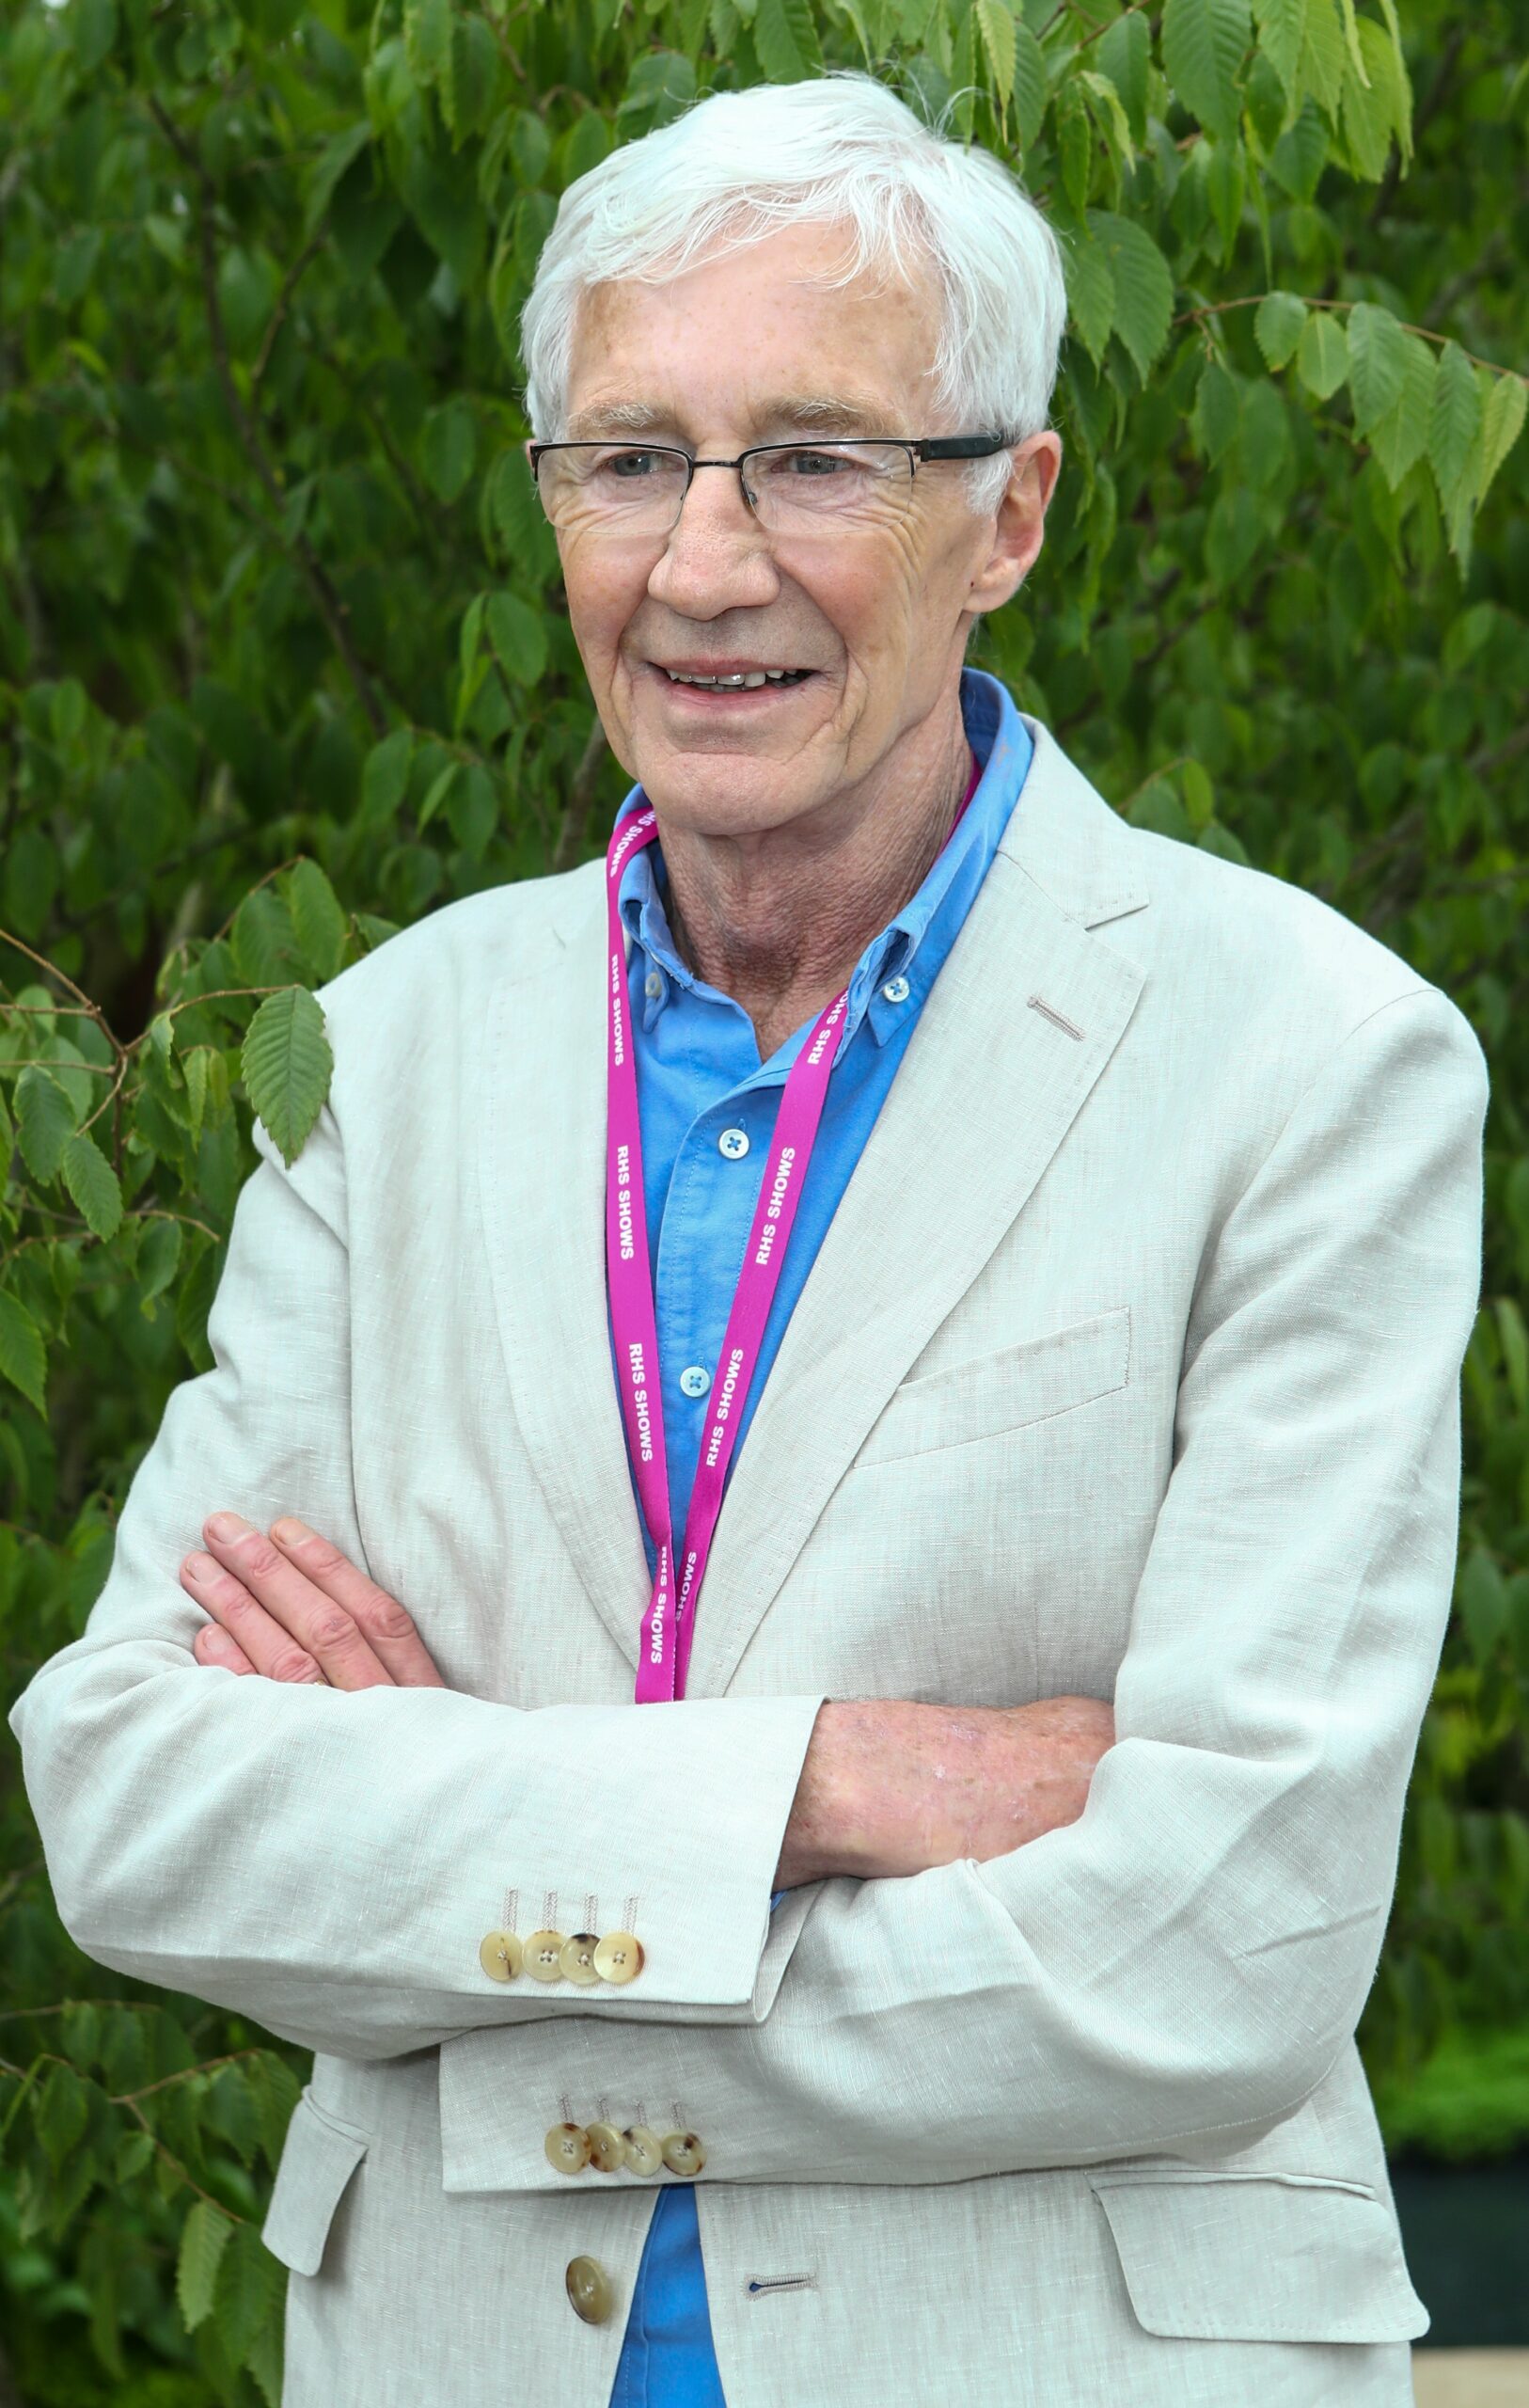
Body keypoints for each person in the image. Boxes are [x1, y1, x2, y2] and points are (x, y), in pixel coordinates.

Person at [12, 69, 1487, 2408]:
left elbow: (1227, 1939)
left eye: (814, 459)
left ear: (1009, 513)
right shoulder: (377, 1057)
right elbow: (138, 1802)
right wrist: (825, 1785)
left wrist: (481, 1937)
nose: (703, 566)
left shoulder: (1311, 1058)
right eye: (629, 459)